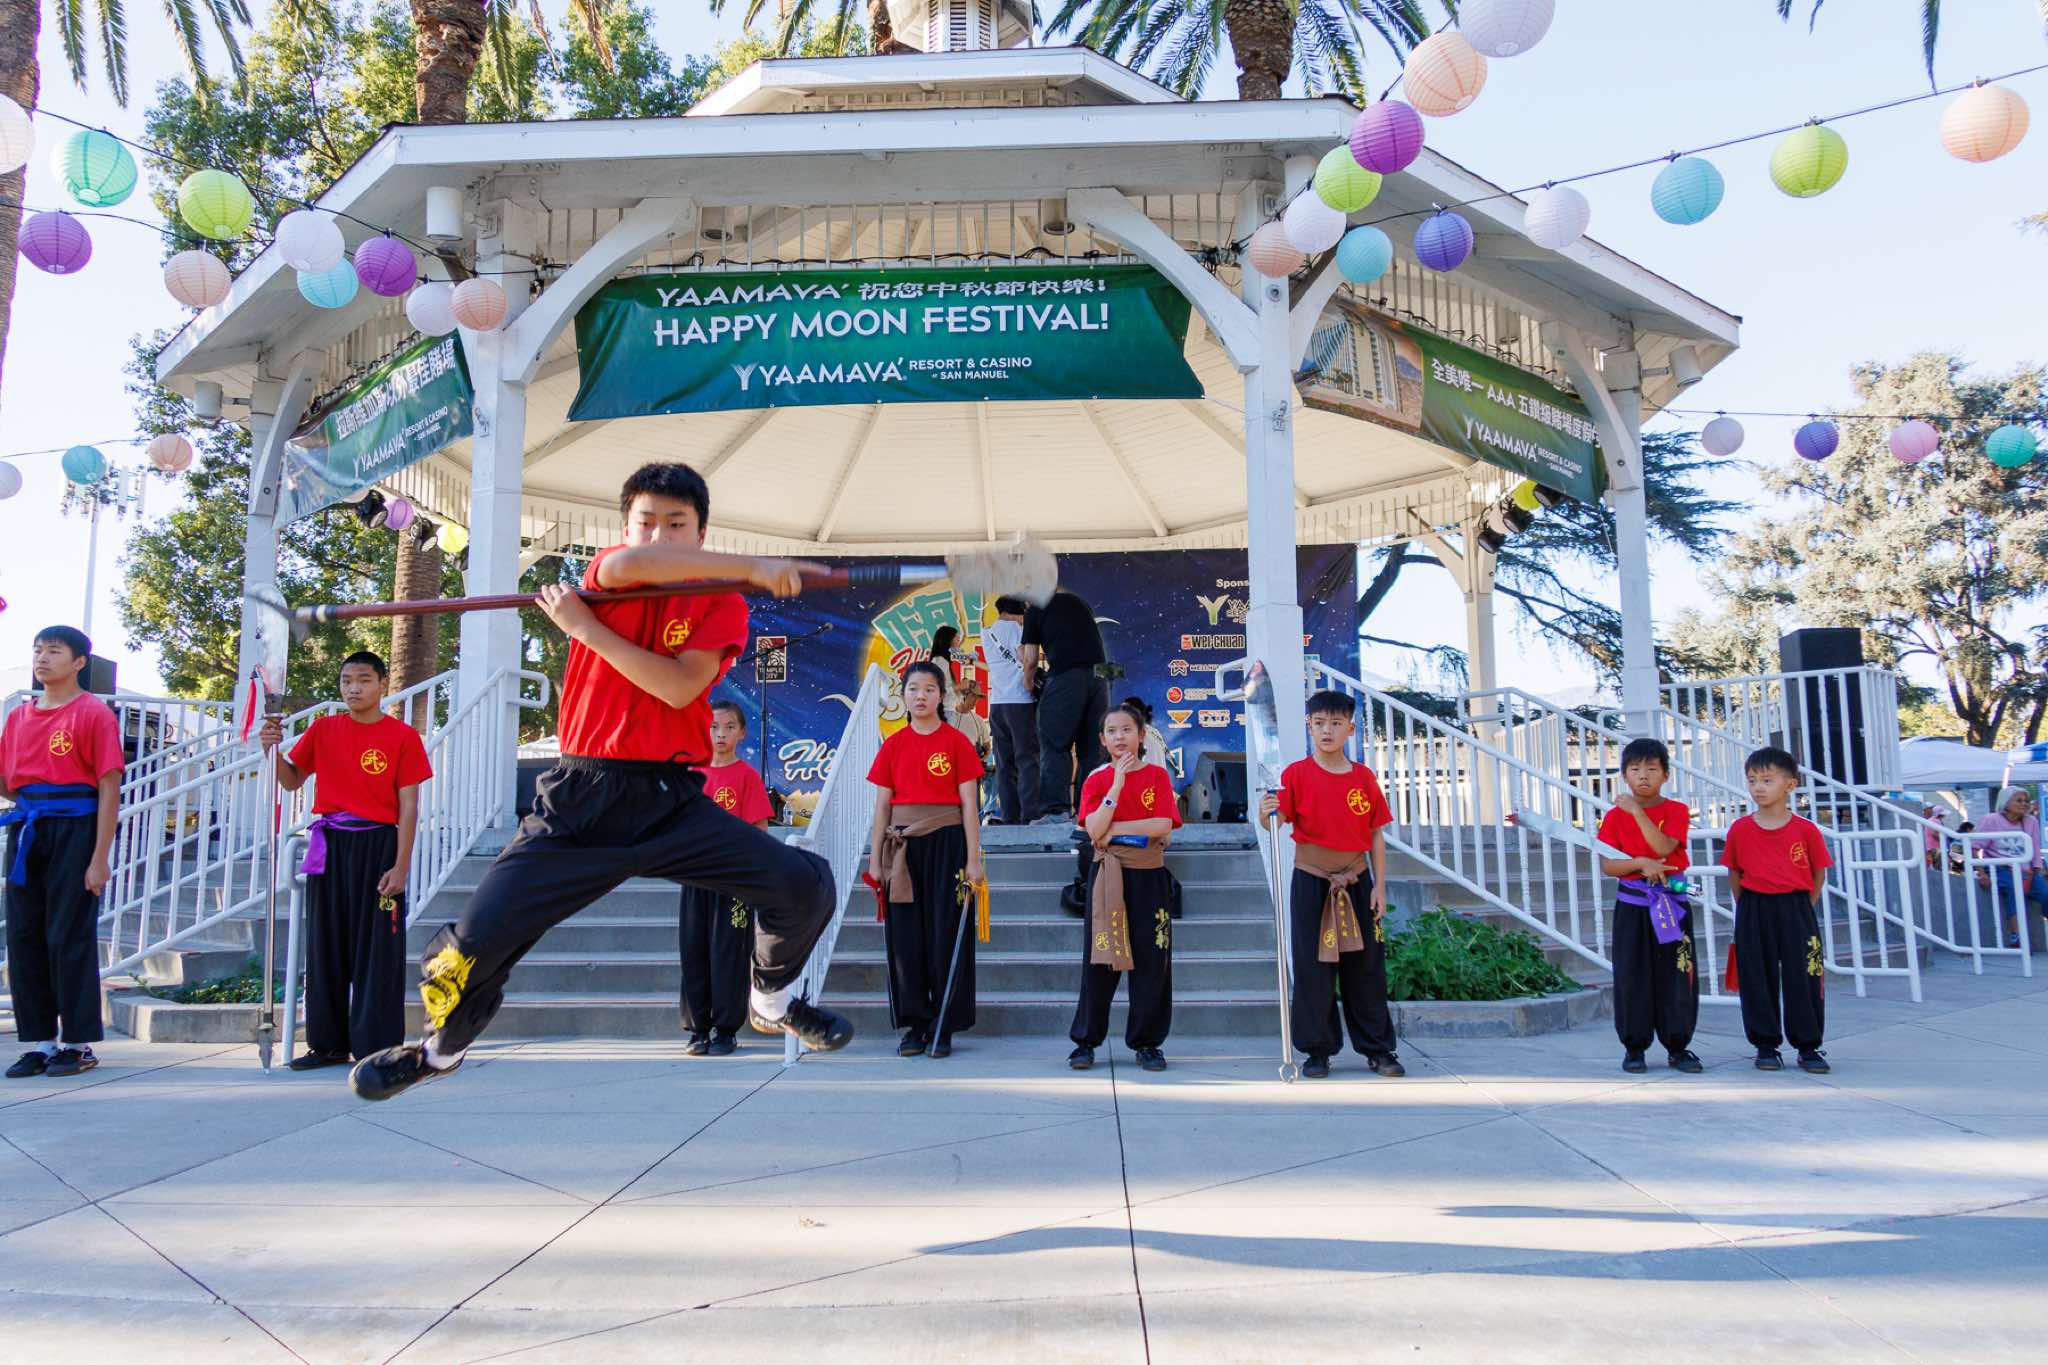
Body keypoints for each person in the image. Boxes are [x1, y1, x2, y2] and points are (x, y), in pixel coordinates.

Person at [349, 462, 852, 1101]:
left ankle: (772, 1000)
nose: (660, 535)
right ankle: (439, 1052)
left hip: (669, 802)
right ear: (626, 529)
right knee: (467, 950)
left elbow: (678, 688)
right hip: (578, 803)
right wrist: (593, 623)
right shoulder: (610, 574)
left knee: (804, 884)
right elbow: (638, 565)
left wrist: (589, 629)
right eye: (647, 523)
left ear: (701, 532)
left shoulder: (721, 602)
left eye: (677, 524)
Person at [259, 651, 430, 1071]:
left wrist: (401, 866)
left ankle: (378, 1046)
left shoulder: (403, 737)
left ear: (382, 684)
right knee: (326, 944)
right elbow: (292, 780)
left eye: (364, 680)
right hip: (330, 844)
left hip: (378, 846)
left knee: (377, 948)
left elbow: (409, 807)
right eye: (347, 680)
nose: (353, 688)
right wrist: (272, 752)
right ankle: (328, 1044)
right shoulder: (324, 729)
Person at [1257, 690, 1405, 1080]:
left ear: (1350, 729)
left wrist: (1379, 887)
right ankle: (1317, 1050)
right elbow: (1276, 822)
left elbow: (1376, 834)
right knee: (1312, 967)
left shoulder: (1363, 777)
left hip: (1357, 881)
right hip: (1311, 881)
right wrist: (1263, 813)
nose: (1327, 730)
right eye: (1320, 723)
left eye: (1336, 723)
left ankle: (1378, 1049)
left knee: (1366, 967)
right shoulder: (1295, 775)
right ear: (1309, 726)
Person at [1, 626, 121, 1079]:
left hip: (76, 829)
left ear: (78, 662)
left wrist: (99, 858)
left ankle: (77, 1043)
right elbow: (9, 784)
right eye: (38, 650)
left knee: (66, 935)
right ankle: (40, 1042)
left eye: (54, 651)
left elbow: (109, 786)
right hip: (28, 830)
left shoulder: (93, 713)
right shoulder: (18, 717)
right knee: (25, 936)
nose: (43, 658)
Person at [867, 661, 986, 1058]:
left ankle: (944, 1024)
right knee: (906, 938)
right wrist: (875, 860)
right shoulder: (893, 745)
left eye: (929, 689)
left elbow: (969, 806)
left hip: (948, 845)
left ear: (941, 696)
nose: (921, 696)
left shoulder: (957, 742)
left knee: (946, 933)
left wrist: (973, 858)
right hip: (902, 850)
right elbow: (882, 808)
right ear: (903, 695)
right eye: (914, 689)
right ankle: (915, 1024)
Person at [1068, 698, 1180, 1073]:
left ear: (1141, 735)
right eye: (1112, 731)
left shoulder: (1157, 777)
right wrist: (1116, 785)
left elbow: (1162, 825)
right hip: (1108, 877)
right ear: (1102, 739)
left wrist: (1113, 829)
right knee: (1100, 959)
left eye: (1127, 730)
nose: (1120, 737)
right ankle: (1086, 1041)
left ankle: (1147, 1043)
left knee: (1152, 960)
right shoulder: (1097, 779)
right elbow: (1092, 829)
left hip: (1149, 875)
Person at [1723, 746, 1833, 1075]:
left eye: (1767, 780)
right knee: (1756, 976)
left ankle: (1808, 1045)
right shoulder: (1740, 829)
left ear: (1790, 785)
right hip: (1754, 906)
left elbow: (1818, 874)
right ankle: (1765, 1044)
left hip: (1796, 907)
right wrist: (1749, 907)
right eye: (1752, 780)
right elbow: (1734, 873)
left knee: (1804, 976)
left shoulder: (1806, 830)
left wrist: (1802, 907)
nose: (1758, 787)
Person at [1595, 738, 1701, 1076]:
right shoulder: (1613, 818)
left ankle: (1678, 1046)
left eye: (1652, 769)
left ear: (1666, 775)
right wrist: (1640, 863)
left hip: (1671, 904)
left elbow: (1664, 848)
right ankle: (1634, 1046)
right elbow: (1609, 865)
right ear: (1624, 775)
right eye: (1635, 769)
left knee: (1677, 973)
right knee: (1632, 975)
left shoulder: (1676, 811)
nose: (1643, 775)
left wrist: (1638, 813)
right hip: (1633, 907)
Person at [677, 700, 774, 1056]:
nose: (721, 734)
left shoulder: (747, 776)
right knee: (695, 949)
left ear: (741, 733)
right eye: (714, 727)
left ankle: (726, 1030)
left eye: (729, 727)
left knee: (729, 952)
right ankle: (698, 1029)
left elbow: (759, 830)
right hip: (696, 876)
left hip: (733, 881)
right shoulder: (691, 775)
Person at [1022, 587, 1107, 823]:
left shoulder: (1034, 609)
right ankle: (1090, 812)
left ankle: (1055, 812)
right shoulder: (1078, 601)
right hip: (1100, 678)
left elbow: (1030, 659)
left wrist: (1028, 682)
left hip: (1066, 678)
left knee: (1054, 745)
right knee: (1092, 749)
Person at [980, 596, 1040, 825]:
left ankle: (1010, 816)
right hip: (1020, 702)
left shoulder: (987, 633)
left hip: (997, 704)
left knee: (1004, 764)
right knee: (1027, 759)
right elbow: (1027, 660)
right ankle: (1031, 815)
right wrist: (1030, 681)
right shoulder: (1016, 629)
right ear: (1018, 612)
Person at [1975, 786, 2046, 950]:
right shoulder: (1991, 820)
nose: (2024, 804)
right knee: (2015, 890)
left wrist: (2038, 871)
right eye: (2019, 800)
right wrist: (1982, 873)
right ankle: (2017, 936)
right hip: (2000, 868)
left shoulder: (2031, 821)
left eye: (2026, 801)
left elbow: (2035, 849)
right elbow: (1974, 847)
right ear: (2005, 802)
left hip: (2026, 870)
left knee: (2045, 893)